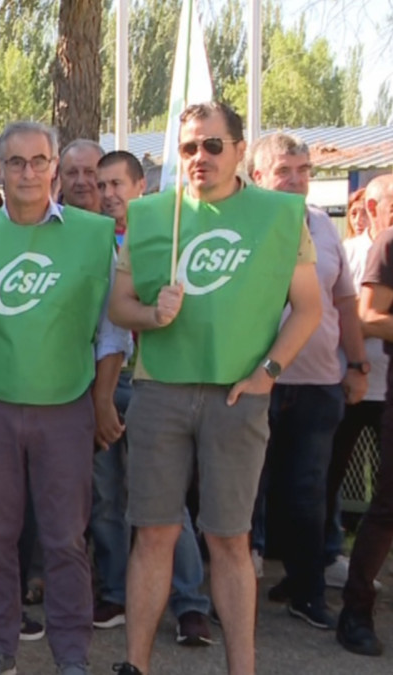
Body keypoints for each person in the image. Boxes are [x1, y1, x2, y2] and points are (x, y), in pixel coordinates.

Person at [109, 101, 322, 675]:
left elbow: (308, 309)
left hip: (238, 396)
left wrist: (266, 374)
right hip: (159, 392)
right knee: (153, 534)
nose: (198, 157)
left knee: (230, 537)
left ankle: (242, 670)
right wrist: (153, 315)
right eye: (187, 148)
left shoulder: (281, 215)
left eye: (211, 145)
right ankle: (136, 665)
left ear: (238, 150)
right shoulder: (151, 214)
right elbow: (118, 305)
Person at [0, 122, 131, 675]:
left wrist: (103, 398)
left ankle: (71, 655)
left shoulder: (92, 236)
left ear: (54, 167)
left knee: (66, 538)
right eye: (15, 162)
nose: (27, 172)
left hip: (66, 406)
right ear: (0, 169)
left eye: (38, 161)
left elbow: (112, 331)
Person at [91, 151, 214, 644]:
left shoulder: (168, 235)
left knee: (164, 504)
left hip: (153, 381)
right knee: (105, 496)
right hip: (102, 382)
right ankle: (118, 593)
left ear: (142, 186)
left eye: (117, 183)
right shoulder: (90, 238)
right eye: (101, 186)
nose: (108, 194)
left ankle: (189, 604)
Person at [247, 133, 366, 630]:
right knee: (247, 491)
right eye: (283, 171)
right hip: (254, 382)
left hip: (318, 384)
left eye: (303, 170)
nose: (296, 179)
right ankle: (235, 593)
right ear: (257, 177)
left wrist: (357, 364)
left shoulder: (322, 226)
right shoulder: (244, 226)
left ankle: (305, 587)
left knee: (308, 492)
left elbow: (343, 302)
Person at [338, 173, 393, 656]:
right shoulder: (389, 242)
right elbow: (368, 315)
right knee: (387, 507)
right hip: (372, 386)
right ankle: (355, 610)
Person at [329, 182, 391, 587]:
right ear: (371, 205)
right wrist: (354, 364)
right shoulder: (355, 249)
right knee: (329, 479)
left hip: (381, 386)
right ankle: (324, 565)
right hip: (354, 383)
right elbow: (360, 316)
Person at [58, 139, 104, 213]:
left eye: (89, 172)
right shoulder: (43, 219)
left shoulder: (121, 220)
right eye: (72, 173)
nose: (81, 181)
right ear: (59, 177)